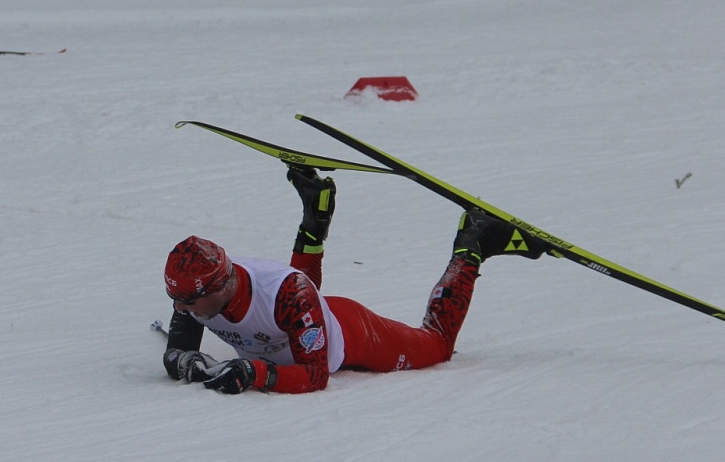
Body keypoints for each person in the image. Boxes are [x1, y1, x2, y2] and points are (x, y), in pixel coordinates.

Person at [162, 165, 550, 394]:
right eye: (175, 299)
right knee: (295, 307)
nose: (180, 309)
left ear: (221, 286)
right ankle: (316, 210)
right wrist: (191, 363)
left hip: (354, 334)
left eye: (188, 303)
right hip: (299, 314)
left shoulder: (287, 292)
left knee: (437, 346)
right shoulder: (193, 292)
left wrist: (254, 373)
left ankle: (474, 245)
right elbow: (175, 353)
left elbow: (316, 375)